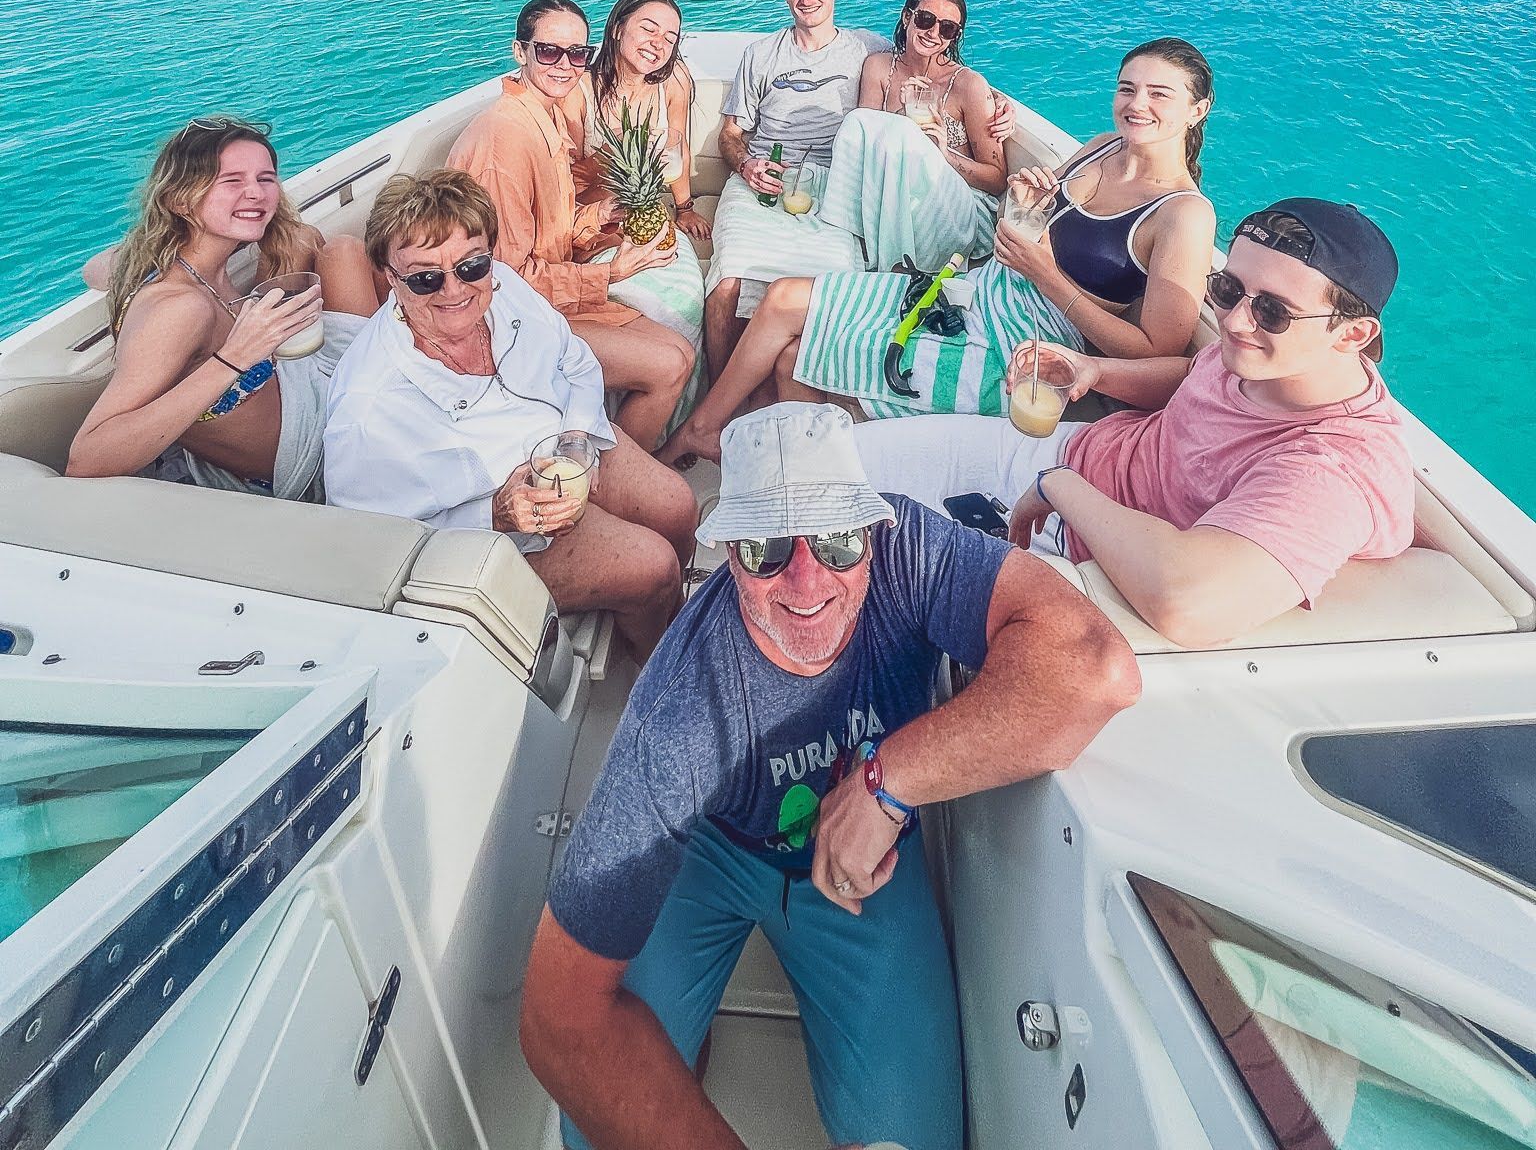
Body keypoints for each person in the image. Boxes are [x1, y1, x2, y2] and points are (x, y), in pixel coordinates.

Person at [519, 401, 1139, 1150]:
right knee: (594, 1127)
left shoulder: (912, 548)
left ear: (876, 530)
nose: (807, 581)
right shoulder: (678, 716)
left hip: (869, 852)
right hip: (710, 849)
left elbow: (1095, 667)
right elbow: (558, 1020)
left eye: (840, 538)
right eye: (768, 549)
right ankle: (689, 1036)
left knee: (916, 1140)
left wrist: (887, 783)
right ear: (730, 552)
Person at [853, 199, 1414, 649]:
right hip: (1070, 454)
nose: (1237, 321)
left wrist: (1060, 489)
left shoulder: (1331, 469)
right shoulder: (1269, 354)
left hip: (1080, 543)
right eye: (1227, 289)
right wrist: (1095, 370)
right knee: (823, 455)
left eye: (1273, 311)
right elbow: (1193, 374)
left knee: (841, 558)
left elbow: (1185, 601)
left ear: (1353, 335)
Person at [663, 38, 1216, 461]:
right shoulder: (1103, 146)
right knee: (783, 298)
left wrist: (1044, 272)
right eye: (1127, 88)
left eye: (1158, 94)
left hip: (1023, 345)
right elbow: (1036, 221)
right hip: (976, 290)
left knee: (793, 361)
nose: (1136, 104)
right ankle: (707, 429)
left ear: (1197, 109)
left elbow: (1151, 357)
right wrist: (1029, 203)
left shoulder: (1182, 215)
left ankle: (830, 498)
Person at [324, 170, 698, 661]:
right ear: (390, 278)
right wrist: (496, 513)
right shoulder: (368, 407)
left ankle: (674, 622)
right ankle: (657, 667)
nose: (453, 290)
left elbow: (574, 358)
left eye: (471, 265)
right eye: (425, 277)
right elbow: (372, 544)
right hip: (497, 531)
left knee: (679, 506)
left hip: (566, 446)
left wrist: (579, 437)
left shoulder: (507, 291)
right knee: (652, 567)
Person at [68, 116, 380, 497]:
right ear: (179, 200)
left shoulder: (187, 269)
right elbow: (85, 460)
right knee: (354, 264)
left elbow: (95, 269)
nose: (257, 193)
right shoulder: (179, 309)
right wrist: (235, 357)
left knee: (320, 244)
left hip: (304, 393)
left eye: (266, 178)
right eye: (232, 181)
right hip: (313, 455)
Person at [449, 0, 693, 451]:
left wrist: (602, 214)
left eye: (577, 54)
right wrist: (613, 273)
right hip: (506, 320)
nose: (565, 64)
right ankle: (607, 475)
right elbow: (503, 282)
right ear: (520, 52)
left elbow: (552, 230)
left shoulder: (545, 117)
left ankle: (624, 460)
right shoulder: (504, 140)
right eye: (549, 51)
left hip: (546, 293)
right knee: (669, 365)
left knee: (681, 350)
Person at [701, 0, 879, 378]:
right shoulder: (761, 54)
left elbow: (929, 67)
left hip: (833, 186)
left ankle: (807, 384)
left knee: (836, 284)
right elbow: (730, 135)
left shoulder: (866, 51)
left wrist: (992, 106)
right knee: (725, 285)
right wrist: (746, 166)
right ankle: (721, 396)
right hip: (761, 178)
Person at [572, 0, 709, 428]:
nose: (658, 43)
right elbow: (567, 185)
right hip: (593, 229)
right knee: (639, 299)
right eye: (648, 29)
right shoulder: (580, 92)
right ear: (617, 28)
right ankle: (613, 416)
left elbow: (677, 148)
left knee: (689, 295)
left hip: (651, 214)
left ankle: (670, 416)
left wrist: (684, 205)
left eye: (669, 38)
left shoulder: (674, 82)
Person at [817, 0, 1006, 271]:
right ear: (907, 17)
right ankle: (844, 238)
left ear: (955, 36)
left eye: (947, 28)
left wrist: (943, 154)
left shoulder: (968, 86)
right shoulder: (879, 68)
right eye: (925, 19)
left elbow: (996, 179)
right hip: (890, 196)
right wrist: (902, 114)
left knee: (903, 133)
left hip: (955, 202)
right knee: (857, 122)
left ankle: (892, 266)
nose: (933, 33)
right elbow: (864, 144)